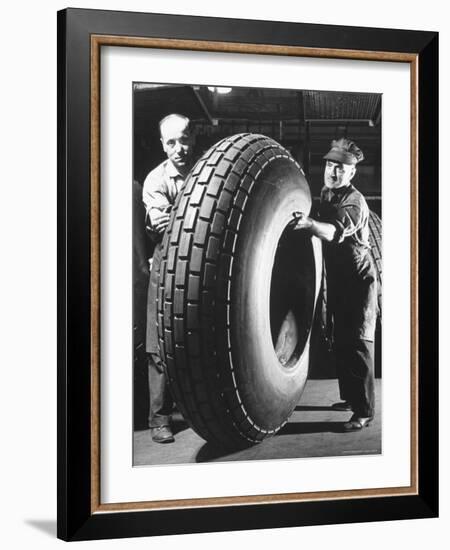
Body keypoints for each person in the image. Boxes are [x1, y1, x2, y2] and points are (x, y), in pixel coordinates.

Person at [293, 138, 378, 431]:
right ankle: (351, 399)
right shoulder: (327, 193)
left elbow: (332, 231)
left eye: (340, 168)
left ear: (352, 173)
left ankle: (364, 411)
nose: (333, 172)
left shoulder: (354, 202)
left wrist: (309, 225)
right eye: (330, 166)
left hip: (359, 279)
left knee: (358, 343)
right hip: (339, 277)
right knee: (340, 339)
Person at [142, 113, 195, 443]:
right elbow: (163, 226)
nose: (179, 148)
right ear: (163, 145)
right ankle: (159, 419)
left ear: (193, 137)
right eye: (171, 142)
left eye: (184, 139)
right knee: (157, 345)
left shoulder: (208, 170)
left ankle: (196, 411)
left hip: (202, 269)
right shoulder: (154, 180)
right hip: (165, 265)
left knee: (196, 341)